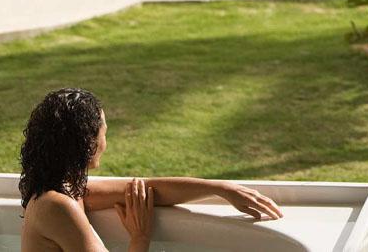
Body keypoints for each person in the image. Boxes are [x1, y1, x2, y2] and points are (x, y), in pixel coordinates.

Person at [19, 88, 282, 252]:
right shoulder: (56, 206)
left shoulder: (63, 190)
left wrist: (222, 189)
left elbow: (144, 189)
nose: (105, 142)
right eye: (105, 133)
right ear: (87, 143)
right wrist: (141, 237)